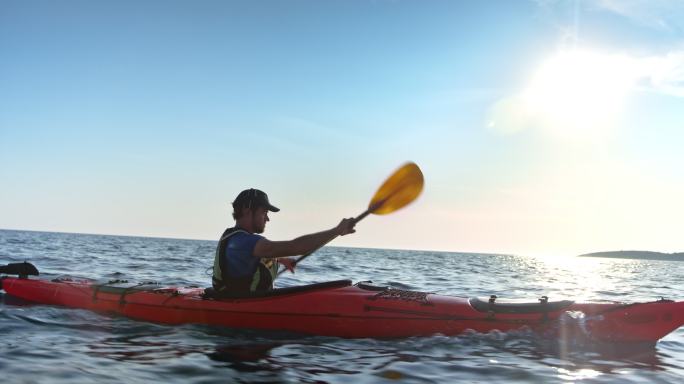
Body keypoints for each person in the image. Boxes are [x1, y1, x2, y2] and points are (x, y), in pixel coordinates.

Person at [212, 188, 356, 295]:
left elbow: (250, 257)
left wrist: (280, 259)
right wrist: (336, 231)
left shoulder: (235, 238)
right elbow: (296, 246)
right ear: (247, 210)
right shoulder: (243, 242)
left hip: (243, 299)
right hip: (243, 307)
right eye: (264, 212)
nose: (267, 219)